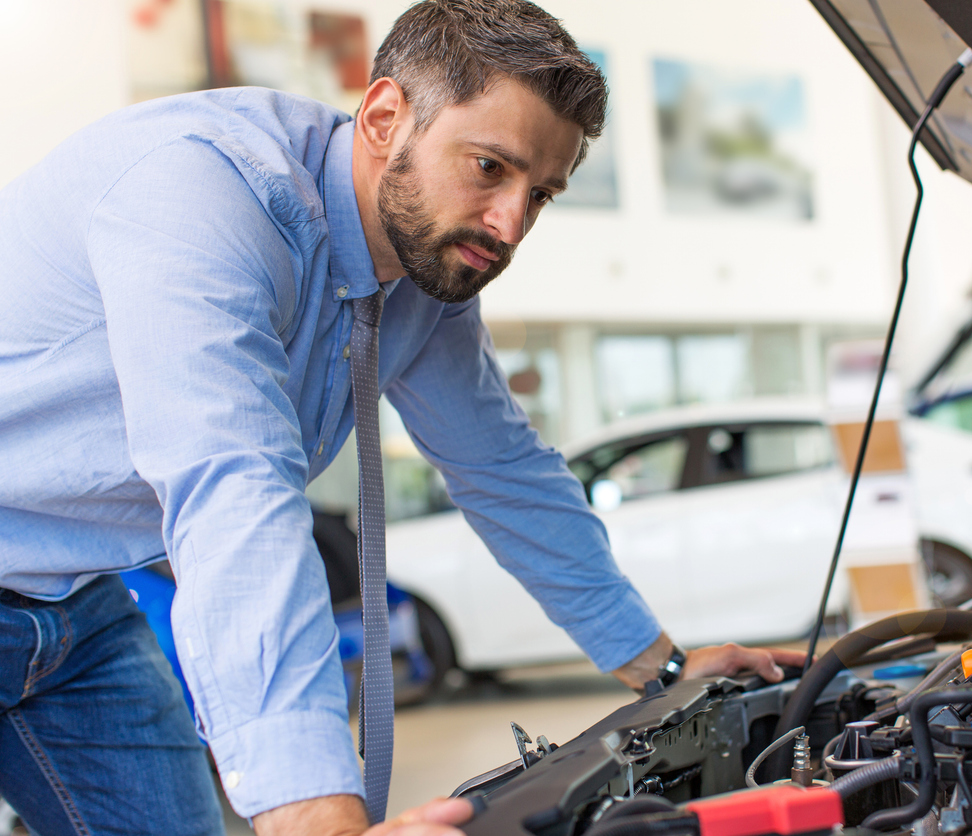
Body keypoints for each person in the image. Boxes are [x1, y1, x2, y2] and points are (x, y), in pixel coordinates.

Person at [0, 1, 806, 835]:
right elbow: (234, 489)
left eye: (541, 194)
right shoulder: (202, 194)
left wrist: (664, 669)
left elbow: (504, 469)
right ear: (386, 116)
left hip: (75, 610)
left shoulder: (425, 280)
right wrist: (318, 819)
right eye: (490, 166)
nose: (509, 225)